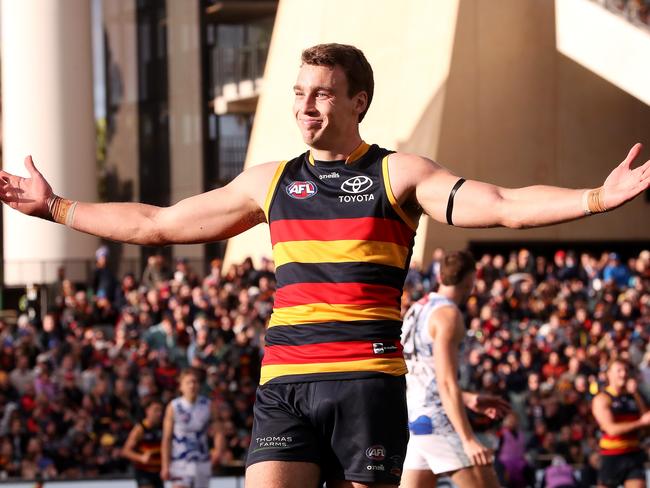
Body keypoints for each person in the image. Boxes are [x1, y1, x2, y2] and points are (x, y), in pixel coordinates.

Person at [0, 42, 649, 488]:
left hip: (365, 383)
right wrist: (56, 207)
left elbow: (502, 204)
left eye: (323, 95)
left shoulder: (398, 173)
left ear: (358, 102)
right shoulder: (270, 181)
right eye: (299, 93)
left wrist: (596, 198)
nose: (306, 106)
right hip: (284, 383)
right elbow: (157, 225)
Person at [400, 250, 509, 488]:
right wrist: (468, 439)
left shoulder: (415, 310)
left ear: (440, 276)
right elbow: (445, 382)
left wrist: (467, 399)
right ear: (471, 279)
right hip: (439, 420)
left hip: (416, 419)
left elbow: (422, 373)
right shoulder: (448, 315)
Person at [591, 359, 650, 488]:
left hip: (633, 454)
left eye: (625, 370)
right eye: (619, 371)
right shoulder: (602, 399)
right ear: (609, 374)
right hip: (612, 455)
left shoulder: (633, 396)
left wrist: (635, 393)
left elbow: (647, 420)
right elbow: (611, 429)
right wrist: (640, 422)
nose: (623, 374)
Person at [161, 369, 223, 488]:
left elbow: (219, 431)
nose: (192, 385)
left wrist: (218, 451)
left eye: (195, 382)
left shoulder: (208, 405)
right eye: (188, 382)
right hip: (180, 461)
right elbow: (167, 438)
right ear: (181, 386)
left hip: (202, 460)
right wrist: (165, 465)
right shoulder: (174, 406)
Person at [122, 398, 164, 488]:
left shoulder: (162, 427)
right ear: (147, 411)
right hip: (144, 472)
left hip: (158, 472)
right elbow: (125, 451)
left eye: (160, 410)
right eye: (156, 410)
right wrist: (141, 458)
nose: (159, 413)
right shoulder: (140, 429)